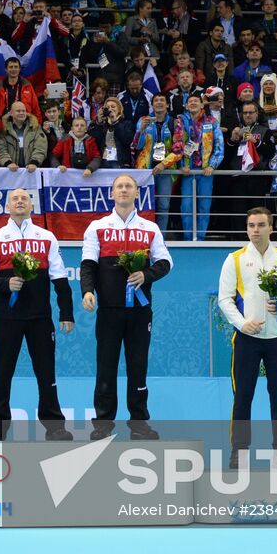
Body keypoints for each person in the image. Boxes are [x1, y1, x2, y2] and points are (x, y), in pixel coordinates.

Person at [0, 188, 76, 441]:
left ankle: (54, 425)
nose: (20, 201)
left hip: (40, 317)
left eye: (24, 198)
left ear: (32, 205)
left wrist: (67, 313)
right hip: (8, 318)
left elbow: (60, 278)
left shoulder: (47, 237)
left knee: (46, 371)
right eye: (14, 199)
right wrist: (5, 284)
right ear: (7, 206)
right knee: (2, 371)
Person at [80, 174, 172, 440]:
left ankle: (139, 423)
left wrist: (146, 275)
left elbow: (165, 262)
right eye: (119, 186)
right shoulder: (96, 227)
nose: (123, 190)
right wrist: (87, 291)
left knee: (138, 365)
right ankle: (103, 424)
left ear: (136, 194)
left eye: (128, 186)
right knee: (105, 365)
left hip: (140, 311)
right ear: (112, 193)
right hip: (108, 310)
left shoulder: (150, 228)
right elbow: (88, 265)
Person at [217, 207, 277, 467]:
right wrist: (242, 324)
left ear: (271, 227)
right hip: (247, 339)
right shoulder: (234, 259)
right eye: (251, 225)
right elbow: (224, 299)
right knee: (243, 396)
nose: (255, 230)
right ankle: (239, 452)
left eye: (261, 225)